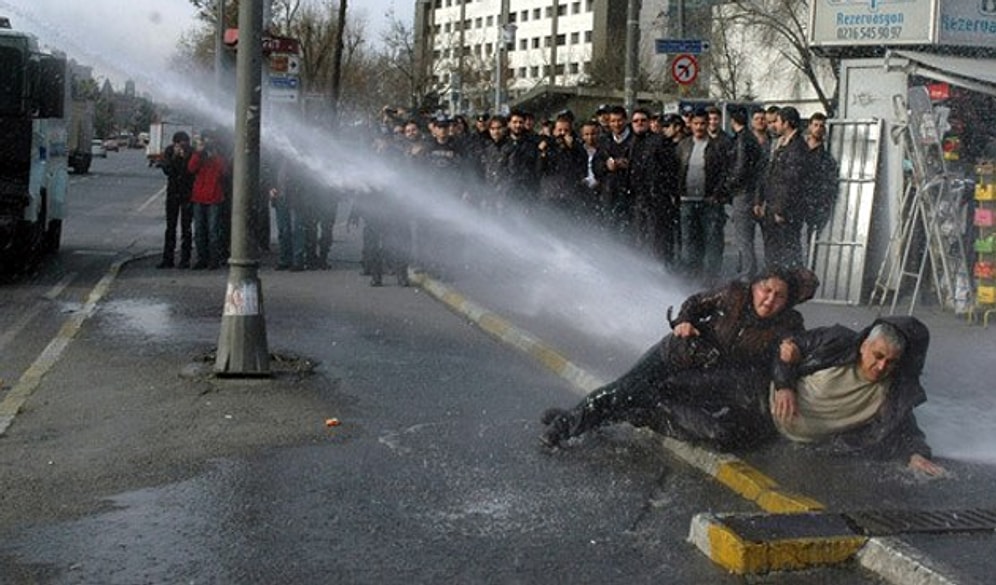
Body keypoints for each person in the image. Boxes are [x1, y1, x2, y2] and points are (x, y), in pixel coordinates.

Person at [539, 267, 819, 449]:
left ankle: (581, 416)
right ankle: (565, 425)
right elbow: (696, 303)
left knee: (656, 405)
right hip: (676, 352)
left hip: (706, 375)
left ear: (788, 302)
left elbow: (786, 358)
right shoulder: (734, 293)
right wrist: (684, 321)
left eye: (779, 296)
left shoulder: (789, 324)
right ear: (756, 286)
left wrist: (784, 385)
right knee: (623, 389)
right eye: (765, 290)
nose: (769, 300)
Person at [768, 316, 945, 476]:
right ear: (864, 346)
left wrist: (916, 455)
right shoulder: (835, 342)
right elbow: (786, 348)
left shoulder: (893, 392)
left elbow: (906, 429)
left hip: (810, 444)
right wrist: (784, 385)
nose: (882, 366)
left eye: (891, 362)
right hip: (766, 413)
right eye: (878, 356)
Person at [755, 106, 808, 270]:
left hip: (785, 211)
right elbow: (769, 176)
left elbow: (791, 181)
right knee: (773, 253)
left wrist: (781, 209)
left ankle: (790, 289)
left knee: (787, 252)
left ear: (786, 123)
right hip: (772, 207)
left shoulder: (797, 147)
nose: (774, 125)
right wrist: (761, 200)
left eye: (777, 121)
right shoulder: (781, 144)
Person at [188, 129, 229, 270]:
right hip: (199, 197)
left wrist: (215, 155)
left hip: (214, 197)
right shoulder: (199, 154)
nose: (207, 142)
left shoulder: (218, 154)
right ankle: (201, 258)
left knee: (213, 231)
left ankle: (214, 259)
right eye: (205, 139)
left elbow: (224, 171)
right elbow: (191, 168)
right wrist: (199, 153)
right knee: (199, 231)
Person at [156, 131, 194, 269]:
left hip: (187, 193)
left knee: (186, 227)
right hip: (173, 192)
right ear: (174, 144)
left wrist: (185, 158)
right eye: (179, 144)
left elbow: (191, 171)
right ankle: (168, 258)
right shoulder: (169, 151)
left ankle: (185, 259)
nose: (181, 147)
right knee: (170, 227)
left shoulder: (191, 152)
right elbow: (167, 170)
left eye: (184, 145)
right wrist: (174, 157)